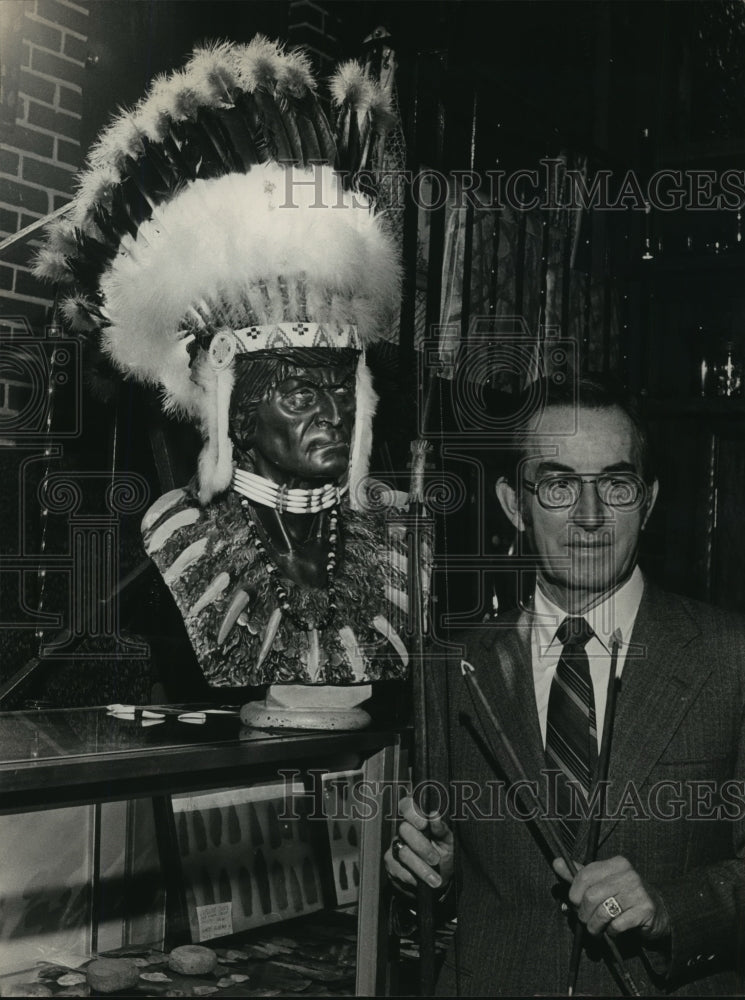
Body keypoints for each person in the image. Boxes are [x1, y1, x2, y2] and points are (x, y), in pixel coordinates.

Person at [34, 38, 413, 723]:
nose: (332, 413)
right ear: (235, 412)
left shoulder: (398, 535)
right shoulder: (181, 538)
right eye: (299, 392)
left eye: (338, 387)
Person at [385, 374, 745, 996]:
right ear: (512, 504)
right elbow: (454, 879)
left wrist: (670, 906)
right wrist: (435, 878)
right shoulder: (449, 669)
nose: (589, 515)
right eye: (557, 485)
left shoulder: (729, 655)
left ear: (649, 501)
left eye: (616, 484)